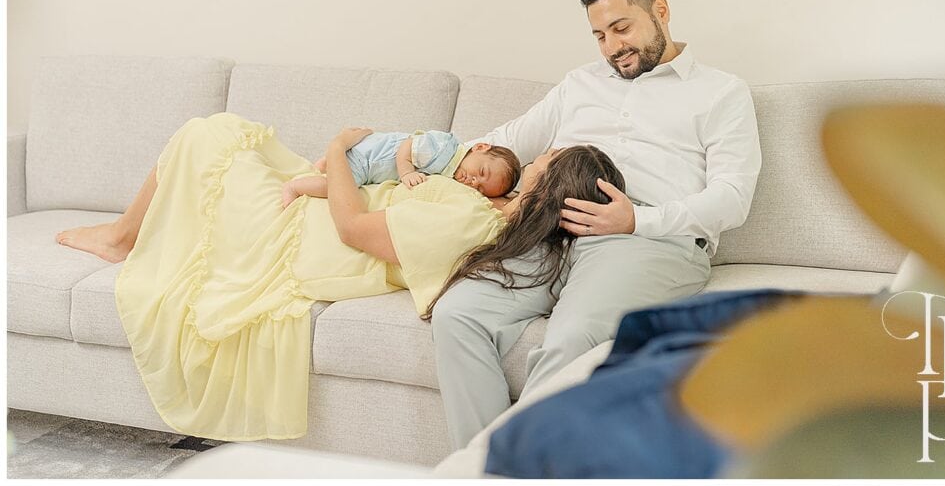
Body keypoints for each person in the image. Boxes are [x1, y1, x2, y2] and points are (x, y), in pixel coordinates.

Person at [53, 112, 623, 442]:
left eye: (546, 158)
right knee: (214, 136)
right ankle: (126, 234)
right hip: (316, 214)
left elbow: (352, 228)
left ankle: (123, 237)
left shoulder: (472, 217)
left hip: (305, 237)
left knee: (207, 136)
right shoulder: (486, 210)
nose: (537, 154)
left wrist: (335, 147)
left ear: (542, 188)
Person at [430, 0, 762, 449]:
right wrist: (413, 160)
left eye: (621, 28)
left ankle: (517, 466)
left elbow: (733, 199)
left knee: (573, 337)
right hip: (548, 232)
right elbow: (500, 143)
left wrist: (635, 220)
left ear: (662, 10)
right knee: (457, 315)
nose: (612, 48)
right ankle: (485, 469)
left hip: (646, 241)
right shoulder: (578, 85)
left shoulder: (721, 93)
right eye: (600, 35)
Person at [281, 130, 521, 208]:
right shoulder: (447, 149)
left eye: (481, 187)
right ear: (479, 147)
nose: (473, 181)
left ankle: (326, 163)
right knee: (340, 188)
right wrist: (406, 171)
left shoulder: (451, 173)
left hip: (371, 159)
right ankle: (295, 187)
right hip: (371, 158)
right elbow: (408, 145)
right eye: (482, 173)